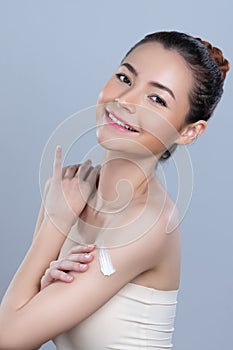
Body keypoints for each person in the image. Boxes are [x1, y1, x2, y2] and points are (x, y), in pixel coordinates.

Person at [0, 31, 230, 350]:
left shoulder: (148, 223)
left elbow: (8, 338)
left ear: (189, 131)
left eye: (157, 99)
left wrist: (54, 223)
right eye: (125, 77)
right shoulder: (71, 191)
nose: (125, 100)